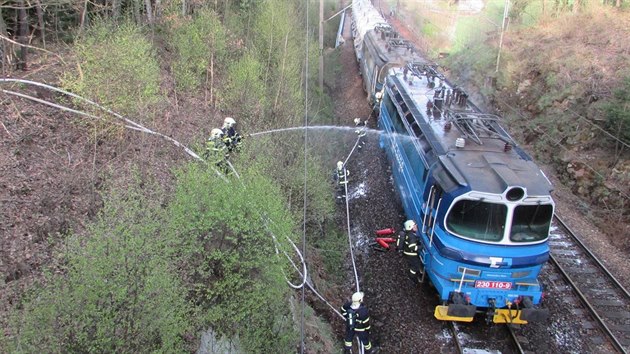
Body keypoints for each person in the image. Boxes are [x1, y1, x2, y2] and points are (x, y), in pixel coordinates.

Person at [396, 220, 422, 284]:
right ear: (411, 227)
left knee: (413, 264)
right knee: (416, 266)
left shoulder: (409, 234)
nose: (416, 226)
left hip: (407, 252)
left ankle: (412, 273)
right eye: (414, 225)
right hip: (411, 254)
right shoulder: (412, 236)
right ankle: (412, 277)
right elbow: (412, 247)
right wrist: (421, 247)